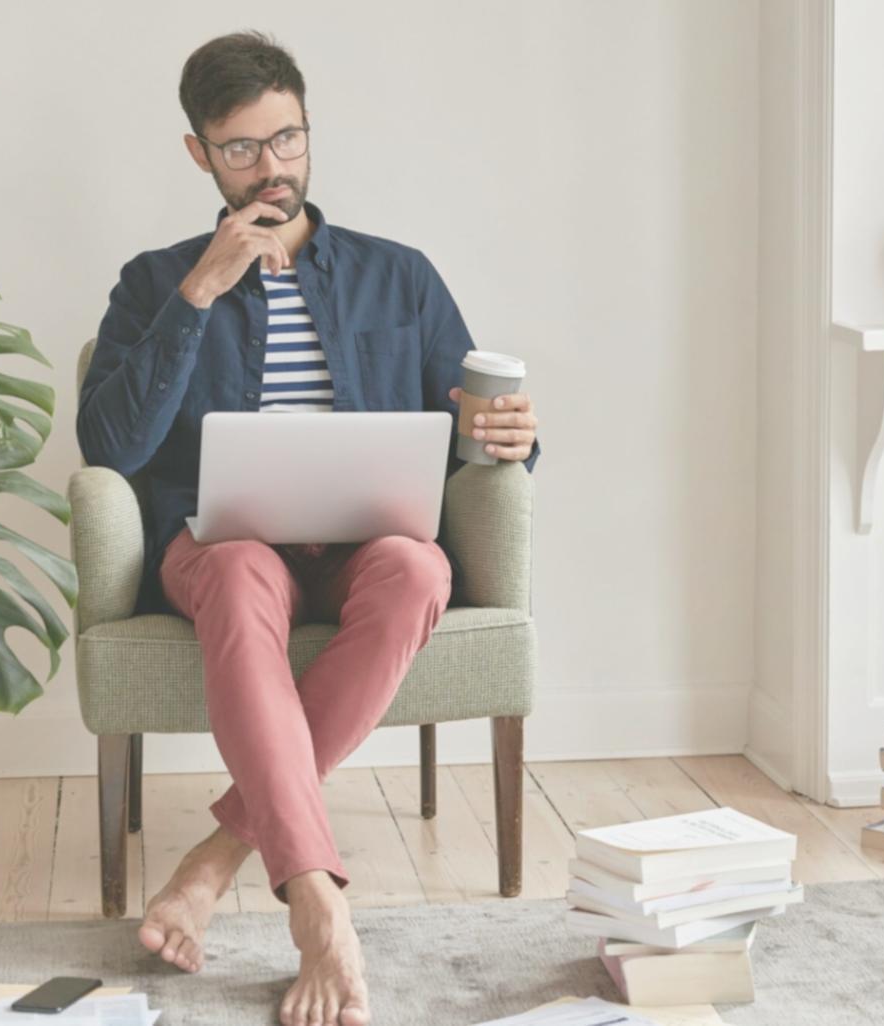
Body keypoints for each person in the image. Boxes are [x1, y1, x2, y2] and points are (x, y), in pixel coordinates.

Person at [75, 29, 541, 1026]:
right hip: (226, 545)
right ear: (200, 153)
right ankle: (318, 905)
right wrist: (201, 293)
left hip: (363, 544)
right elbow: (109, 447)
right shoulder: (155, 283)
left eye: (287, 140)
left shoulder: (398, 274)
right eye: (242, 148)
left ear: (308, 132)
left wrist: (507, 437)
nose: (272, 169)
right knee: (240, 569)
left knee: (419, 572)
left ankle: (216, 857)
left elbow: (469, 427)